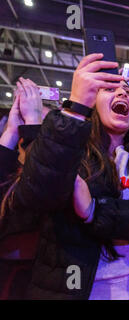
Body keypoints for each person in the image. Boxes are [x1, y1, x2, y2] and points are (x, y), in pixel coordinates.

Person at [1, 53, 129, 299]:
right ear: (92, 101)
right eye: (109, 89)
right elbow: (36, 196)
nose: (122, 94)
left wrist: (95, 211)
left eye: (128, 91)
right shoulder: (71, 148)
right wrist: (74, 109)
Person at [0, 78, 43, 299]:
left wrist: (34, 124)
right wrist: (10, 133)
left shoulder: (63, 171)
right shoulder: (8, 170)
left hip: (43, 277)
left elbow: (41, 187)